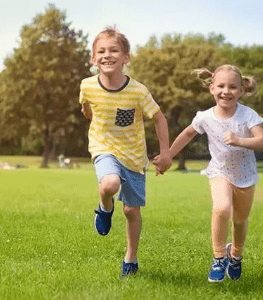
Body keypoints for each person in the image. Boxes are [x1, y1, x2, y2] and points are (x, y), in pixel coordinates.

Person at [155, 65, 263, 282]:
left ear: (242, 90)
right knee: (221, 208)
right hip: (219, 172)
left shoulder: (247, 115)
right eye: (221, 86)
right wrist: (167, 156)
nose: (227, 91)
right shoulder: (205, 117)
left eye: (233, 87)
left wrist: (239, 140)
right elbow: (187, 134)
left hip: (245, 175)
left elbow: (262, 141)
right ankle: (218, 258)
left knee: (240, 220)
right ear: (211, 89)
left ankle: (235, 255)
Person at [79, 27, 172, 279]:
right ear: (93, 58)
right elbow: (87, 108)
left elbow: (159, 118)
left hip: (133, 156)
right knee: (109, 184)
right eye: (101, 51)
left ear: (126, 57)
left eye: (114, 50)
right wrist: (91, 116)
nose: (107, 55)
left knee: (131, 211)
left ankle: (130, 257)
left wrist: (165, 153)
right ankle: (104, 207)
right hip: (103, 149)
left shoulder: (138, 91)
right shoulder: (87, 86)